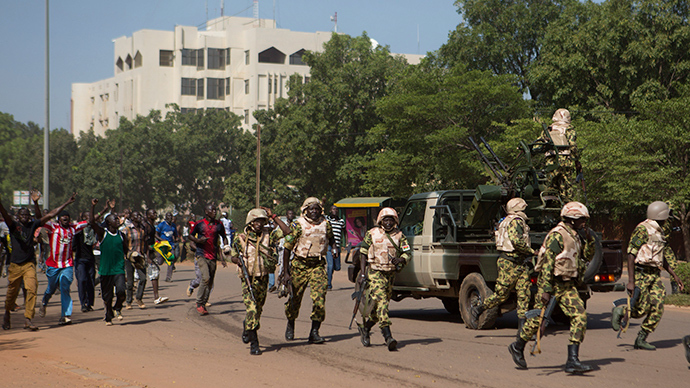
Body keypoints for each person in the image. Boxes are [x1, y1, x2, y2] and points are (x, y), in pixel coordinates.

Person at [509, 202, 595, 373]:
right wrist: (546, 290)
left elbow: (586, 256)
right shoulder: (557, 235)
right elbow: (548, 263)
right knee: (536, 321)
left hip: (567, 285)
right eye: (582, 219)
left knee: (579, 317)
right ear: (572, 219)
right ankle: (517, 346)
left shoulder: (576, 235)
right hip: (552, 283)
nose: (584, 222)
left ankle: (572, 360)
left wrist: (590, 240)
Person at [611, 201, 684, 350]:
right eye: (666, 216)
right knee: (641, 309)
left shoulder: (660, 231)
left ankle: (641, 338)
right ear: (660, 216)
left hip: (654, 274)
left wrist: (673, 274)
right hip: (641, 273)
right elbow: (631, 254)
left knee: (658, 306)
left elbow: (660, 256)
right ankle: (621, 311)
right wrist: (631, 281)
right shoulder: (642, 229)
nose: (668, 219)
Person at [1, 190, 77, 331]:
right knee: (12, 291)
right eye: (21, 214)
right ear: (18, 216)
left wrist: (66, 202)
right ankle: (6, 313)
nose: (24, 217)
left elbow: (50, 214)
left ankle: (28, 319)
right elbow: (5, 213)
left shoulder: (33, 225)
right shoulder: (13, 226)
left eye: (26, 215)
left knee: (32, 289)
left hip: (29, 263)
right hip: (15, 265)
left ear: (29, 217)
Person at [229, 207, 289, 355]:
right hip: (248, 279)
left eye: (262, 221)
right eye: (256, 221)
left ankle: (247, 326)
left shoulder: (269, 236)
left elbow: (287, 232)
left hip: (263, 279)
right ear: (250, 222)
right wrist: (239, 261)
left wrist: (273, 216)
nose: (259, 224)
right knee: (252, 309)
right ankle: (254, 343)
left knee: (258, 310)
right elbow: (233, 256)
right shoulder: (241, 238)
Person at [471, 198, 535, 333]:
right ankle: (480, 308)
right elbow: (516, 241)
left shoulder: (506, 221)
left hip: (519, 263)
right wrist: (532, 251)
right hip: (509, 263)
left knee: (524, 294)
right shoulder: (515, 221)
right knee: (501, 295)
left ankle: (522, 331)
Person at [357, 207, 411, 351]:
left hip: (390, 275)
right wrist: (363, 274)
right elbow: (362, 253)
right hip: (375, 272)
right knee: (382, 303)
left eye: (391, 220)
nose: (388, 223)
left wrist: (401, 259)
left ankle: (365, 328)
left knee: (379, 310)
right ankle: (388, 337)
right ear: (381, 220)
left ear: (395, 221)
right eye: (385, 220)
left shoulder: (400, 235)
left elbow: (407, 252)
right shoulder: (372, 234)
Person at [283, 197, 335, 344]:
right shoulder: (298, 225)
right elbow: (287, 248)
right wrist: (286, 272)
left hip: (317, 265)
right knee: (295, 299)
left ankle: (314, 332)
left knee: (319, 299)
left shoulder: (326, 224)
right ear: (305, 210)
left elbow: (331, 238)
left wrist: (335, 247)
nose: (314, 212)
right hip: (299, 265)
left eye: (317, 209)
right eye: (311, 209)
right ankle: (291, 322)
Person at [38, 205, 90, 326]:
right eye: (63, 218)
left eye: (67, 218)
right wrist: (36, 203)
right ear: (59, 220)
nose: (66, 220)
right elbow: (40, 218)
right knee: (51, 288)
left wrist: (93, 207)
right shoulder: (52, 227)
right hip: (53, 265)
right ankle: (45, 301)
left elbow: (90, 221)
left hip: (67, 264)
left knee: (65, 287)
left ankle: (65, 315)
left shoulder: (74, 228)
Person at [89, 198, 127, 326]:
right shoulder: (102, 233)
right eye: (115, 219)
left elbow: (126, 251)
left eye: (118, 219)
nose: (118, 220)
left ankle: (117, 307)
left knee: (121, 292)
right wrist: (93, 206)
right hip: (106, 270)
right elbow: (91, 222)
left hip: (118, 269)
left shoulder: (122, 235)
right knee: (107, 296)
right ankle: (108, 315)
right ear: (108, 223)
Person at [188, 203, 229, 315]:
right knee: (205, 278)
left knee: (210, 282)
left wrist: (226, 246)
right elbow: (190, 236)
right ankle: (199, 302)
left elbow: (224, 237)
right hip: (201, 255)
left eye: (215, 210)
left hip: (213, 256)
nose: (215, 212)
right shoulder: (199, 224)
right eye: (212, 210)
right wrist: (198, 241)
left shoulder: (219, 224)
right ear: (206, 212)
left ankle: (204, 303)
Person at [539, 108, 580, 202]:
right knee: (566, 188)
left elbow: (539, 145)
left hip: (551, 162)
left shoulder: (547, 130)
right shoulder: (569, 129)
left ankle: (551, 206)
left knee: (550, 187)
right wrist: (576, 158)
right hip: (566, 161)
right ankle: (567, 207)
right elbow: (572, 145)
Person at [73, 210, 100, 313]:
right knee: (82, 280)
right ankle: (82, 303)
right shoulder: (79, 231)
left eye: (91, 217)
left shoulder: (94, 230)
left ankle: (89, 303)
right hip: (80, 259)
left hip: (90, 259)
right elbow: (73, 246)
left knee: (90, 282)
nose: (89, 219)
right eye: (87, 217)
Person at [143, 209, 168, 305]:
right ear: (148, 216)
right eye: (153, 213)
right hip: (146, 253)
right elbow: (144, 240)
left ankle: (156, 297)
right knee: (138, 277)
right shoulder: (146, 226)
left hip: (151, 252)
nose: (155, 214)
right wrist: (148, 255)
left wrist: (163, 241)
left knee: (155, 273)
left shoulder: (152, 225)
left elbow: (154, 236)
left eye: (155, 213)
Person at [123, 211, 147, 309]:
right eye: (136, 216)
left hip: (139, 257)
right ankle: (128, 301)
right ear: (132, 218)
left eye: (139, 215)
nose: (138, 217)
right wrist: (127, 254)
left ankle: (139, 298)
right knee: (130, 282)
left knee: (143, 278)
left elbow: (144, 242)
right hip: (129, 258)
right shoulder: (127, 230)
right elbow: (123, 244)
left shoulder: (142, 230)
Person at [325, 205, 345, 290]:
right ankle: (328, 285)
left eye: (336, 209)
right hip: (329, 246)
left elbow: (345, 232)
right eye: (333, 209)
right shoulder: (328, 220)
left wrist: (346, 243)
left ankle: (328, 277)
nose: (335, 211)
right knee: (330, 265)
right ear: (330, 210)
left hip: (337, 246)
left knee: (336, 267)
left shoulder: (341, 221)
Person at [156, 212, 179, 282]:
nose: (169, 218)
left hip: (170, 245)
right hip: (162, 245)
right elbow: (156, 234)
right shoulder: (161, 225)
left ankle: (168, 278)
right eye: (168, 217)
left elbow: (175, 235)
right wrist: (161, 240)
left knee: (170, 261)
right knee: (159, 262)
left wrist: (176, 239)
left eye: (171, 217)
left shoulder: (173, 226)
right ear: (165, 217)